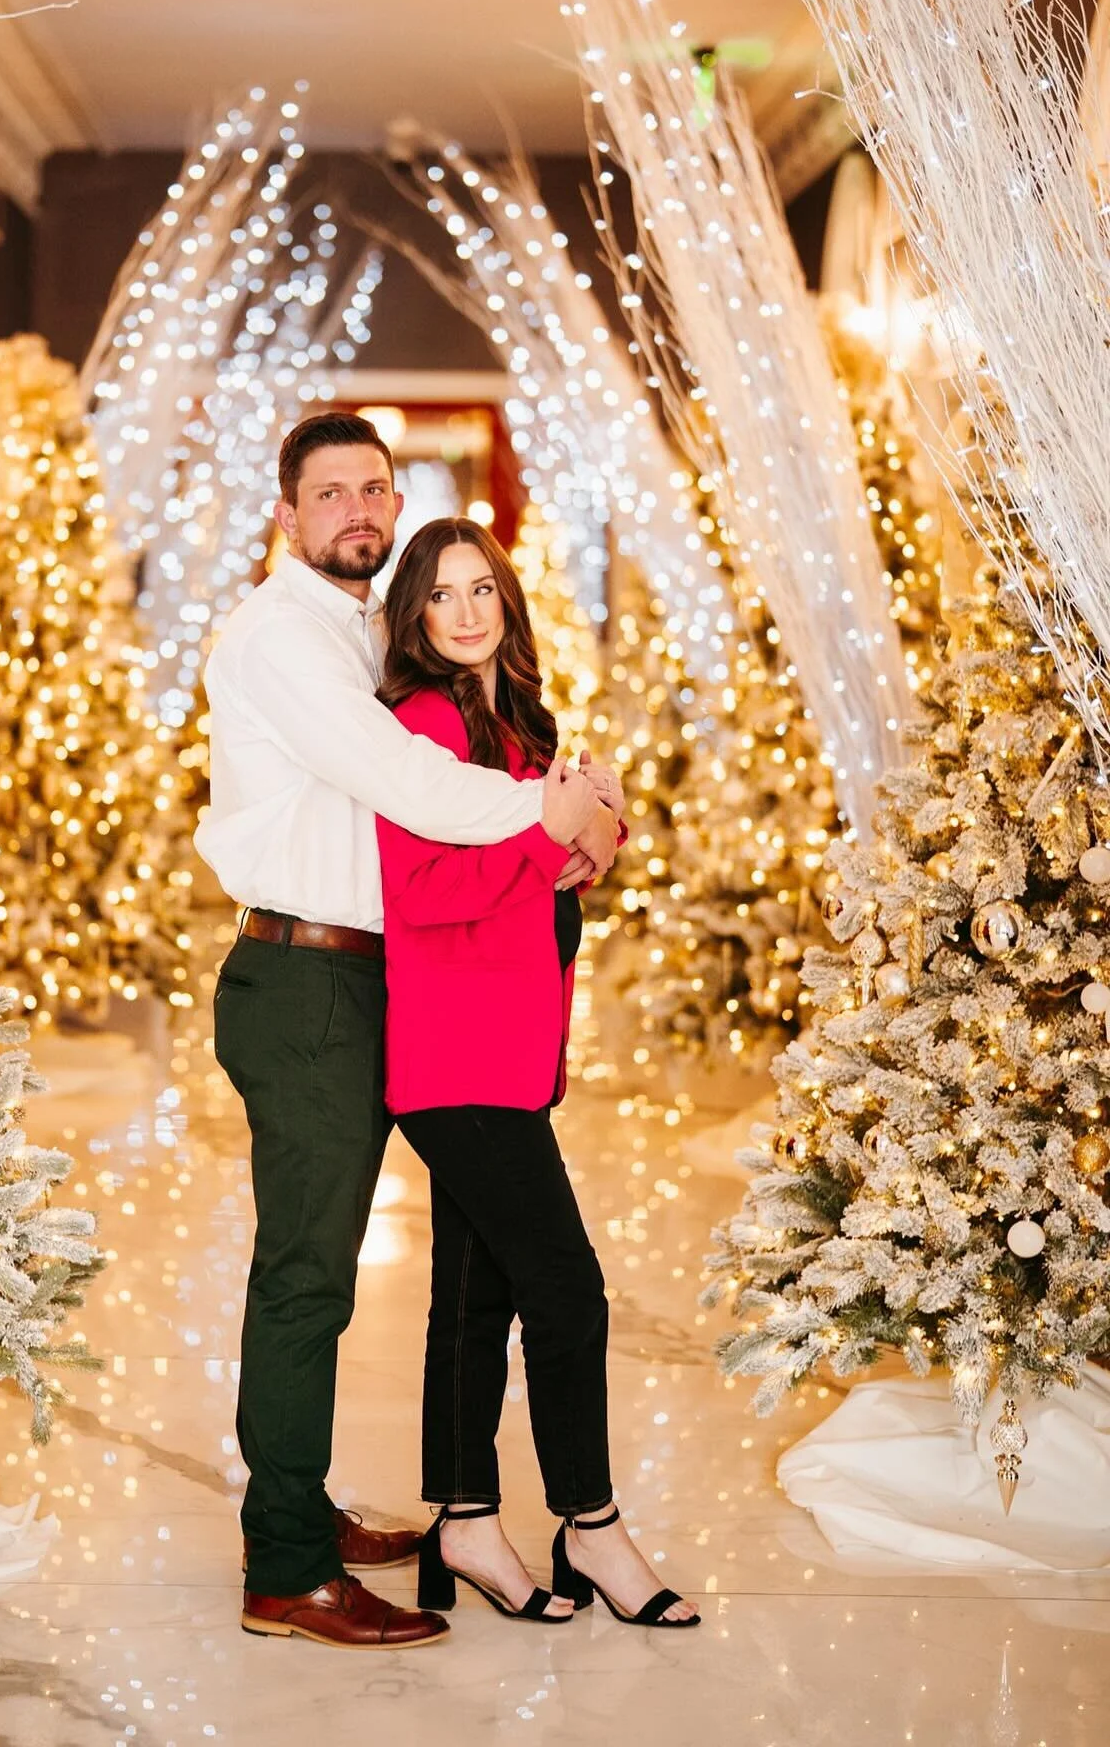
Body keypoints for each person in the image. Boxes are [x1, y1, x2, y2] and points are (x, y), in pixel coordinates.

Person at [195, 413, 619, 1651]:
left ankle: (315, 1512)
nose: (357, 511)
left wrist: (562, 830)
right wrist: (556, 807)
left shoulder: (358, 632)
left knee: (432, 1263)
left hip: (378, 981)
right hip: (306, 982)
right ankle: (284, 1568)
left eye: (374, 488)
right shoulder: (280, 637)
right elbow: (409, 786)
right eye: (328, 494)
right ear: (287, 514)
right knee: (308, 1279)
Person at [376, 516, 701, 1630]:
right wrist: (540, 842)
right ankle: (592, 1526)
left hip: (512, 1049)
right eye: (442, 596)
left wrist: (592, 843)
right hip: (451, 1056)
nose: (468, 613)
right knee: (567, 1289)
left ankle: (465, 1520)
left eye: (484, 591)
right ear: (413, 617)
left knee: (476, 1294)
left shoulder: (515, 719)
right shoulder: (417, 723)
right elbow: (419, 891)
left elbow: (553, 860)